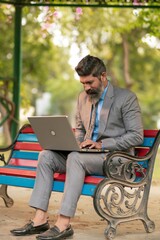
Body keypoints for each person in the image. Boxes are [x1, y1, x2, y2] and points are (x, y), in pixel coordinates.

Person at [10, 55, 143, 240]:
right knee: (46, 156)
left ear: (103, 76)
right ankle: (40, 219)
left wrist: (101, 144)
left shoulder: (126, 98)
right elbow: (80, 129)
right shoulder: (82, 98)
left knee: (75, 158)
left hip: (115, 159)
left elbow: (136, 135)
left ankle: (63, 224)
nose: (86, 88)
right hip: (85, 156)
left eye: (90, 82)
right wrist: (78, 143)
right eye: (83, 83)